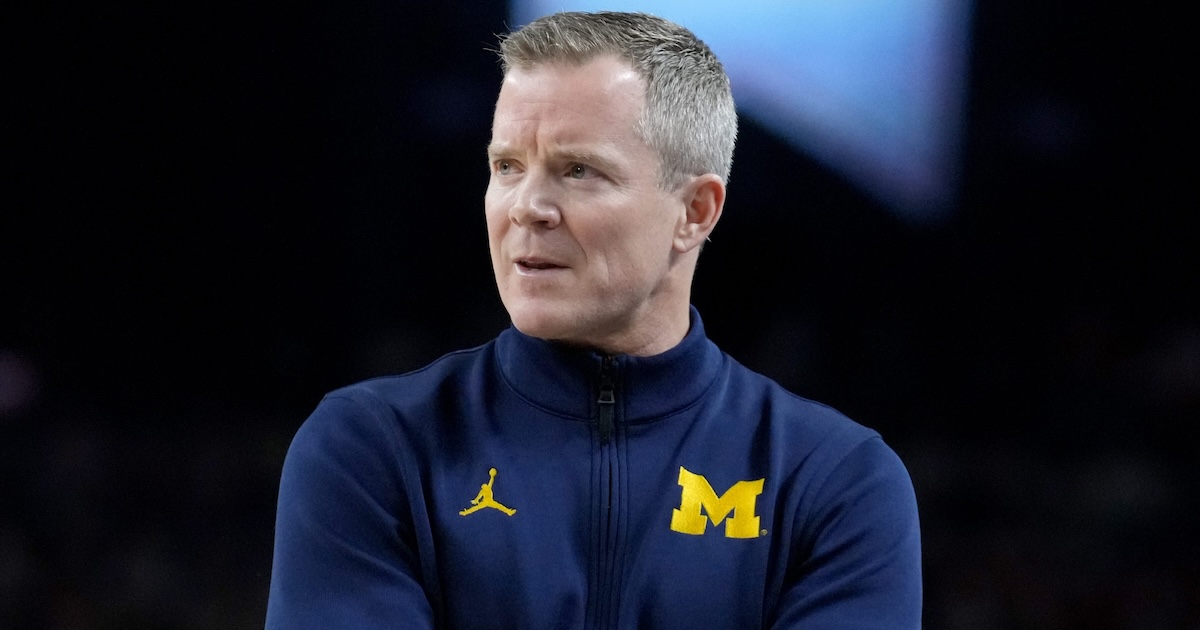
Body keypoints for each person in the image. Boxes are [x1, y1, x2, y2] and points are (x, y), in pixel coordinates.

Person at [266, 10, 921, 629]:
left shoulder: (834, 481)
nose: (526, 208)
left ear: (695, 211)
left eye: (577, 170)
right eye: (507, 166)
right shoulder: (372, 449)